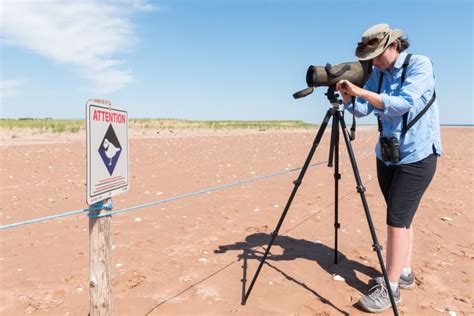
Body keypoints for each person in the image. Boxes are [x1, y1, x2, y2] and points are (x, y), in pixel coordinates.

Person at [336, 23, 442, 313]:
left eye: (378, 54)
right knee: (402, 218)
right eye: (370, 57)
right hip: (387, 156)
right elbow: (363, 109)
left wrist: (362, 91)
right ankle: (404, 271)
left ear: (394, 46)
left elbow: (402, 104)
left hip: (418, 155)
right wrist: (348, 96)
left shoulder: (420, 65)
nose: (374, 61)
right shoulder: (377, 74)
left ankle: (391, 287)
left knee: (396, 218)